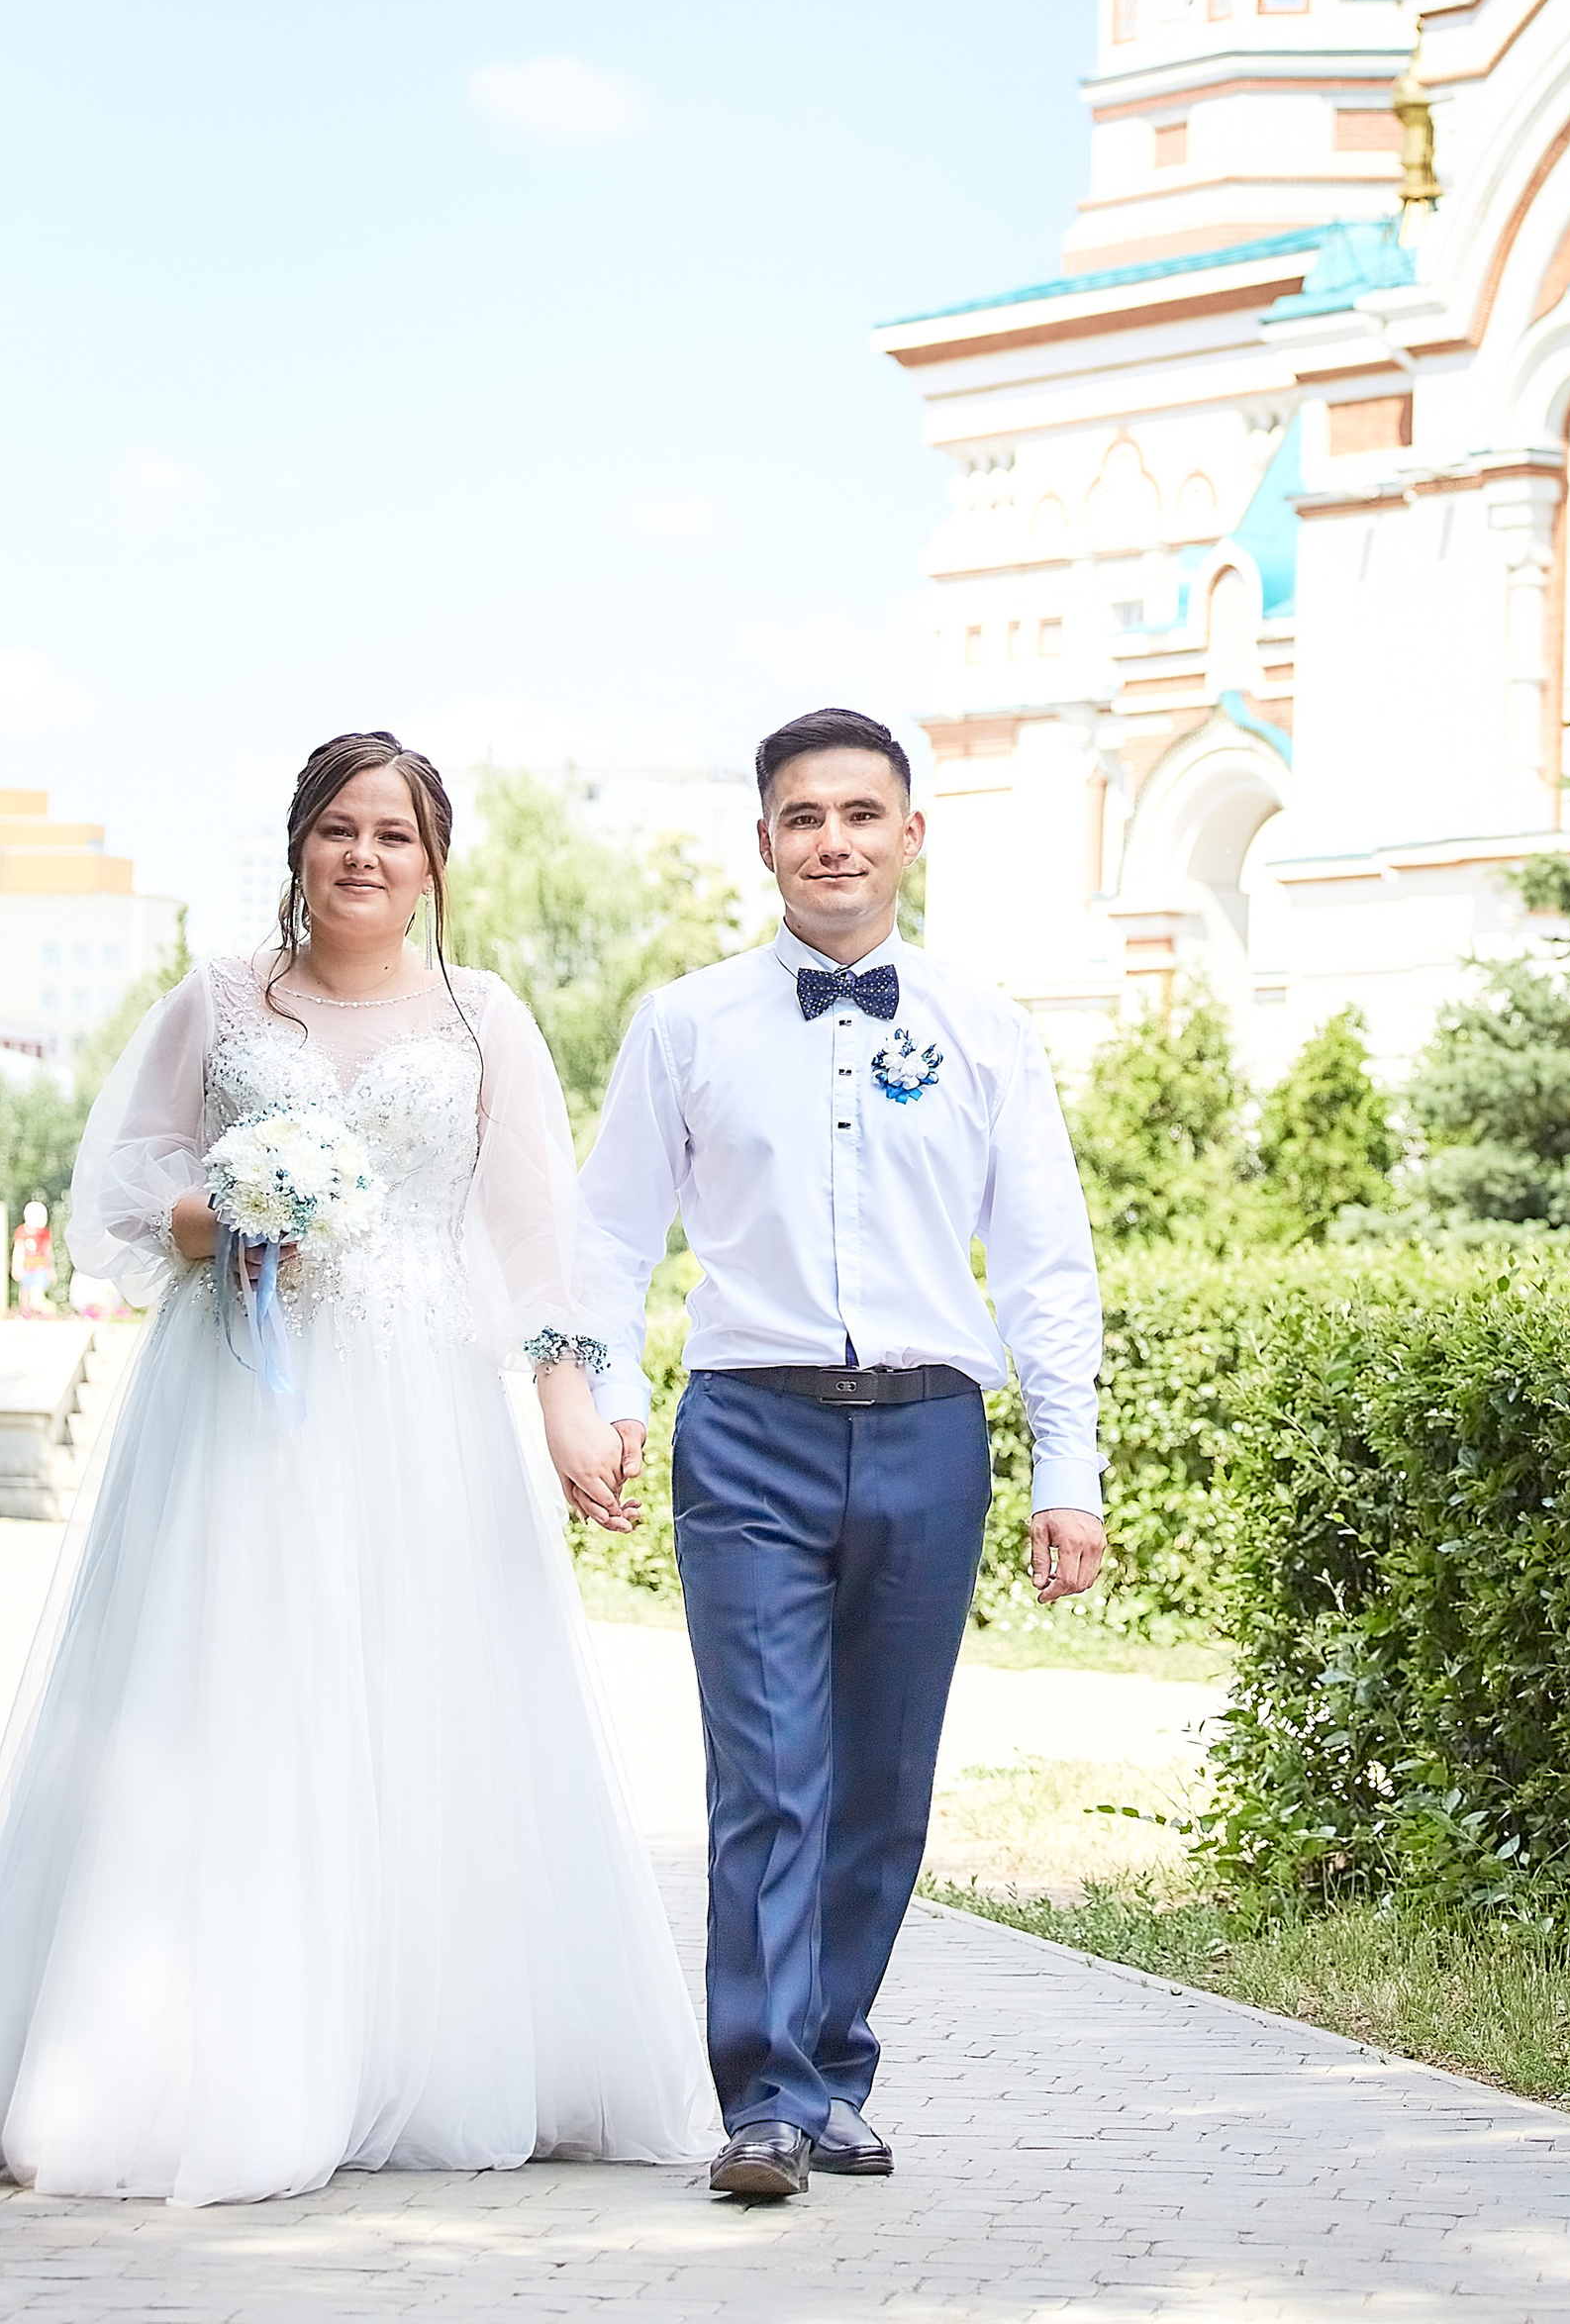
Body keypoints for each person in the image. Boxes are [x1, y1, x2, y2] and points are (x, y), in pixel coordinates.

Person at [0, 731, 719, 2204]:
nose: (364, 856)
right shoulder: (220, 1001)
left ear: (435, 866)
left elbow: (534, 1243)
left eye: (395, 834)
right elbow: (118, 1183)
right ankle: (198, 2051)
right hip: (237, 1392)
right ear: (298, 844)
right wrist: (224, 1219)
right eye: (338, 828)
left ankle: (419, 2034)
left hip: (422, 1394)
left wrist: (570, 1402)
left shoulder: (482, 1015)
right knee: (232, 1685)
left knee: (419, 1694)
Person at [558, 705, 1105, 2204]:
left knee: (882, 1782)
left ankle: (833, 2065)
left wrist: (1072, 1470)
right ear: (765, 844)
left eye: (862, 814)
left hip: (931, 1432)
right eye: (804, 817)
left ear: (910, 835)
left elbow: (1047, 1262)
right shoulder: (687, 1024)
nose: (834, 842)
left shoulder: (988, 1031)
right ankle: (768, 2098)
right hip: (750, 1433)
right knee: (770, 1772)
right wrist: (602, 1392)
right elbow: (607, 1233)